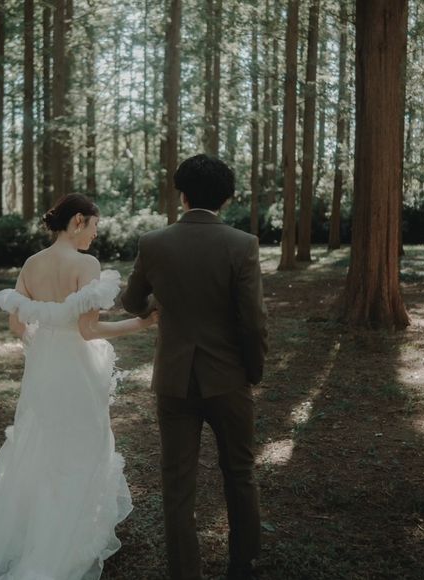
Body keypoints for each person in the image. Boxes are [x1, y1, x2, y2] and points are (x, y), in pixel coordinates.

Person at [0, 193, 156, 580]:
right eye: (94, 226)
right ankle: (63, 544)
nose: (95, 234)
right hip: (77, 370)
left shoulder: (31, 263)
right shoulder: (86, 264)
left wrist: (44, 349)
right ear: (78, 221)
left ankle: (33, 535)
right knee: (82, 449)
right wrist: (142, 323)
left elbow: (17, 324)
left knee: (43, 448)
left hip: (43, 369)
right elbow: (89, 330)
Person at [122, 154, 268, 580]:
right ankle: (244, 566)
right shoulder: (242, 244)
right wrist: (252, 372)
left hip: (173, 380)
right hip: (229, 379)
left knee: (177, 483)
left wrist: (158, 303)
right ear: (226, 198)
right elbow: (253, 321)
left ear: (182, 195)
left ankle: (184, 573)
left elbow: (132, 301)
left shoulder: (153, 242)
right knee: (240, 472)